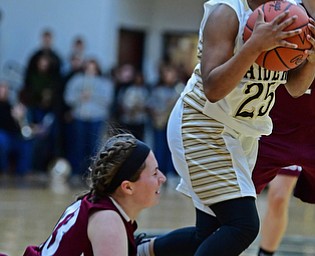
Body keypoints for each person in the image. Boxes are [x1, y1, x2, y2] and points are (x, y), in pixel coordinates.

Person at [137, 0, 315, 255]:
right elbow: (213, 89)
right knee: (243, 225)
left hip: (244, 134)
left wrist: (311, 60)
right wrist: (254, 46)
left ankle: (141, 250)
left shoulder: (290, 13)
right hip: (203, 126)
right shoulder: (227, 13)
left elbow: (295, 89)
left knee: (210, 234)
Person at [23, 133, 166, 256]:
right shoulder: (108, 221)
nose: (162, 178)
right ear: (127, 187)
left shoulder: (97, 203)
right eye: (154, 173)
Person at [64, 58, 114, 183]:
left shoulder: (104, 83)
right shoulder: (76, 80)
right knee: (78, 146)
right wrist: (80, 97)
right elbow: (68, 98)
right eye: (88, 68)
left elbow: (107, 100)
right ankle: (76, 172)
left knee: (94, 147)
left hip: (97, 118)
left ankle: (93, 173)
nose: (90, 71)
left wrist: (93, 96)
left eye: (93, 68)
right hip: (80, 117)